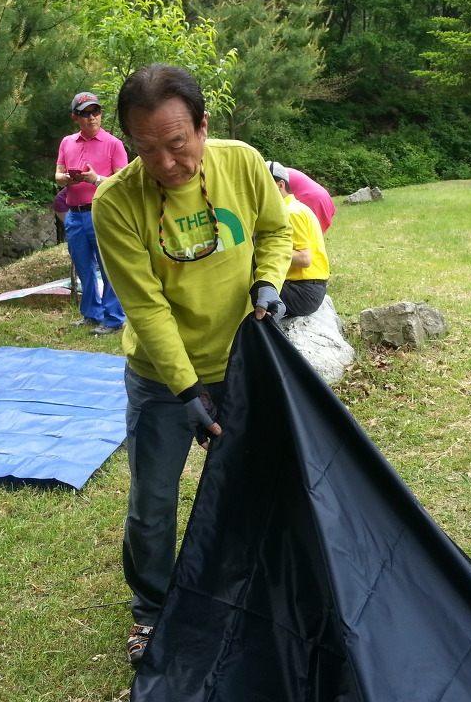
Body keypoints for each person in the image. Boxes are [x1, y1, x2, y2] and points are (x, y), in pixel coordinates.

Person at [91, 64, 293, 666]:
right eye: (145, 149)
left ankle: (251, 589)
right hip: (162, 380)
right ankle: (151, 611)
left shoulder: (242, 163)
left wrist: (267, 282)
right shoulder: (116, 202)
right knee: (153, 503)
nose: (165, 163)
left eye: (177, 143)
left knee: (257, 484)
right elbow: (146, 308)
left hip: (243, 364)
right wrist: (186, 392)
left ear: (203, 126)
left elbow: (274, 232)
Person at [54, 92, 129, 335]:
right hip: (74, 215)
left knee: (108, 267)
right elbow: (57, 175)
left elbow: (123, 183)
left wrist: (96, 179)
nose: (92, 117)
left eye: (95, 111)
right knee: (84, 267)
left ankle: (113, 319)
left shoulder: (113, 144)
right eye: (85, 113)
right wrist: (66, 179)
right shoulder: (67, 143)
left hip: (102, 213)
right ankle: (91, 314)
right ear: (75, 117)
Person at [267, 160, 330, 317]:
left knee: (246, 291)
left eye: (264, 185)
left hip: (303, 291)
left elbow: (304, 259)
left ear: (280, 185)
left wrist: (264, 250)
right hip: (307, 289)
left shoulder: (291, 213)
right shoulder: (296, 207)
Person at [283, 165, 336, 233]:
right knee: (313, 234)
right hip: (324, 197)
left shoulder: (273, 176)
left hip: (313, 199)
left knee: (309, 233)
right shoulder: (278, 171)